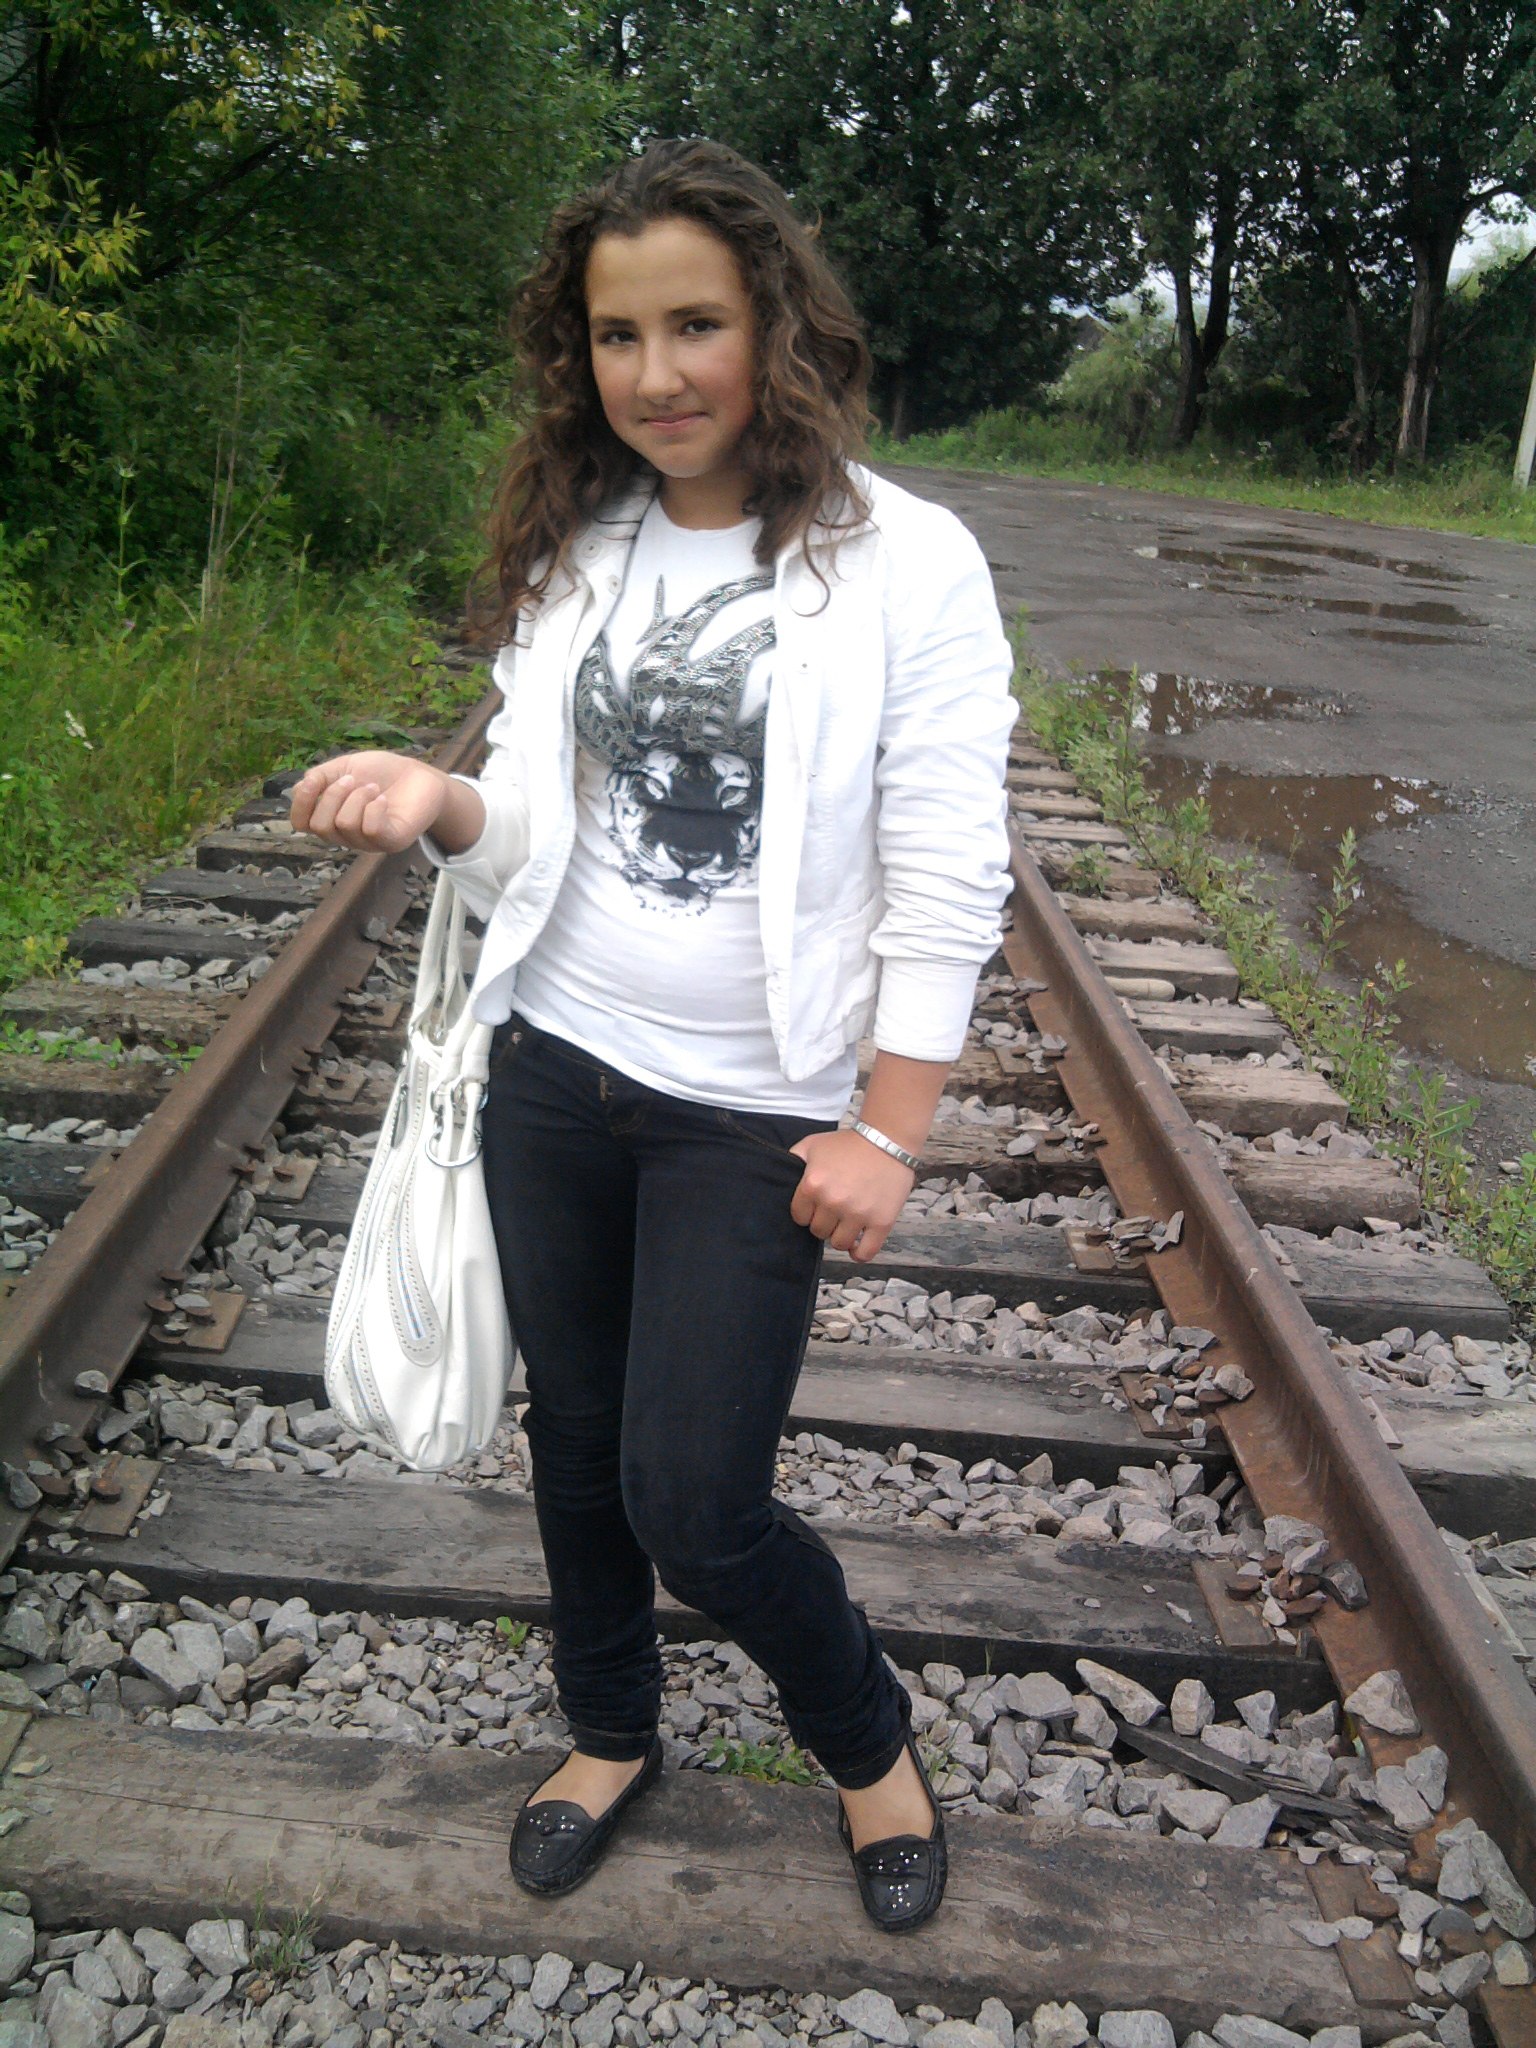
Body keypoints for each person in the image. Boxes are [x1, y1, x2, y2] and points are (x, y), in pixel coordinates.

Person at [289, 135, 1017, 1934]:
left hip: (751, 1111)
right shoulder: (584, 541)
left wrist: (889, 1128)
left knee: (695, 1495)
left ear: (777, 323)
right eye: (619, 335)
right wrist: (444, 805)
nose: (658, 373)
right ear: (582, 351)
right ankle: (610, 1730)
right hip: (553, 1068)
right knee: (579, 1440)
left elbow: (948, 871)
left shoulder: (909, 564)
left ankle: (868, 1747)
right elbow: (542, 829)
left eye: (697, 324)